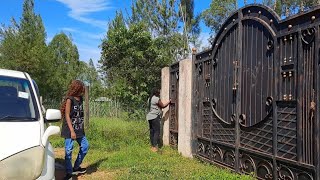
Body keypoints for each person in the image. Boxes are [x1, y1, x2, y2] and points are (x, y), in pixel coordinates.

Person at [60, 80, 89, 180]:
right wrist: (72, 131)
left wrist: (80, 127)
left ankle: (76, 167)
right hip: (69, 129)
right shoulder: (69, 99)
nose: (83, 91)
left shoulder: (80, 98)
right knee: (68, 151)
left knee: (85, 146)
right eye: (82, 89)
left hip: (79, 129)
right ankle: (68, 172)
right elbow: (67, 115)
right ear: (77, 88)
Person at [146, 88, 171, 152]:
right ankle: (155, 147)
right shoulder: (156, 98)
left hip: (149, 117)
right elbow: (163, 106)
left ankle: (152, 146)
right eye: (158, 92)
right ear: (156, 93)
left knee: (152, 132)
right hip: (155, 117)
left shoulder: (149, 99)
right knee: (157, 132)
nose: (159, 93)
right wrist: (169, 101)